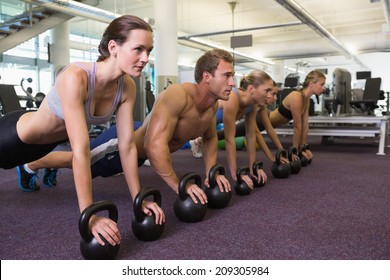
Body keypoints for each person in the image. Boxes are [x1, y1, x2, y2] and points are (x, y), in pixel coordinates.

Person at [0, 15, 164, 247]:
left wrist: (138, 199)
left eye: (148, 50)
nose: (145, 58)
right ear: (113, 47)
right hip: (13, 137)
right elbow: (80, 149)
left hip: (43, 148)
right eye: (138, 49)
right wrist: (89, 215)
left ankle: (27, 168)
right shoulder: (75, 77)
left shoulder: (126, 86)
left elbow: (126, 146)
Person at [14, 48, 235, 205]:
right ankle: (31, 164)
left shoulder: (211, 104)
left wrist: (210, 173)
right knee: (81, 162)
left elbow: (210, 138)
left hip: (139, 144)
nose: (233, 83)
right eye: (227, 76)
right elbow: (154, 147)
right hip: (118, 145)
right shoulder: (179, 95)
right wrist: (179, 186)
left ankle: (45, 165)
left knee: (84, 162)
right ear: (207, 77)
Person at [219, 70, 326, 161]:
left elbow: (304, 126)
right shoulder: (296, 97)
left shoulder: (305, 100)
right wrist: (294, 151)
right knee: (227, 134)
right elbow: (297, 127)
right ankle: (203, 139)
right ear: (311, 83)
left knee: (230, 133)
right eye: (321, 84)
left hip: (268, 119)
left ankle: (206, 138)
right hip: (264, 120)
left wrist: (302, 147)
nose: (323, 88)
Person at [192, 70, 274, 188]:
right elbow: (229, 139)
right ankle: (196, 141)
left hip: (211, 125)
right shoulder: (233, 97)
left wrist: (252, 168)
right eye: (267, 90)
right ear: (251, 89)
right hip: (196, 121)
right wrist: (235, 174)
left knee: (210, 136)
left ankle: (198, 141)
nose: (270, 96)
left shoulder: (254, 103)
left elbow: (251, 136)